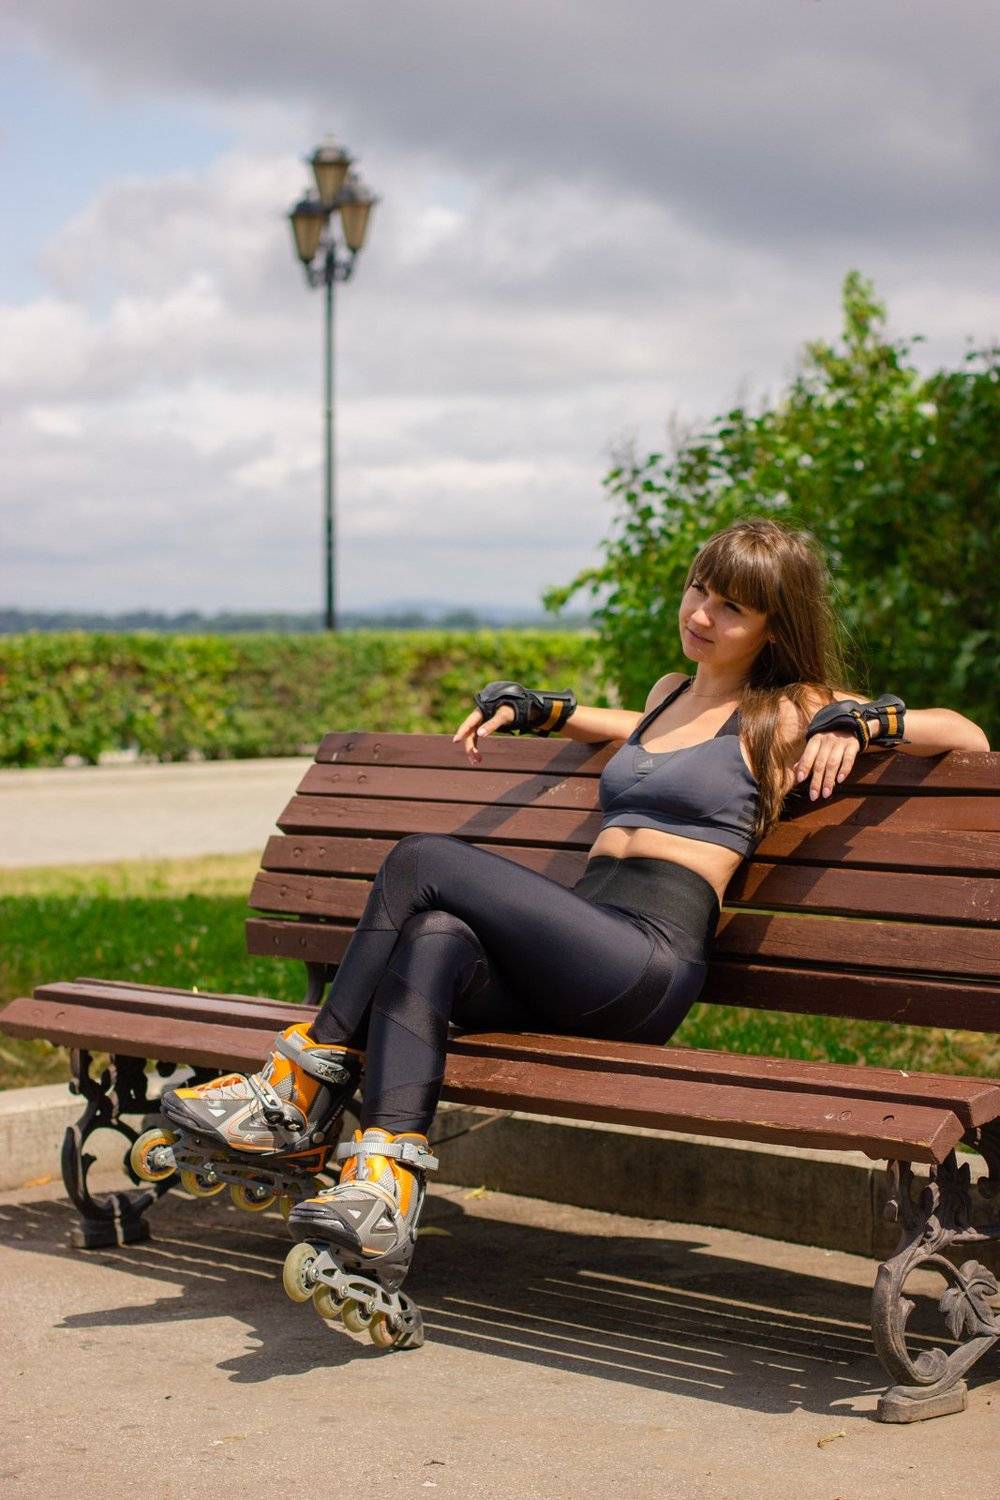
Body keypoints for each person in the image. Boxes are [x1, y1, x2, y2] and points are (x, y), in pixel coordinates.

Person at [157, 517, 989, 1345]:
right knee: (434, 934)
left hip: (644, 963)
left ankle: (299, 1090)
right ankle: (383, 1187)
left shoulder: (790, 710)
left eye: (732, 607)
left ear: (775, 626)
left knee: (420, 862)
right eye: (698, 589)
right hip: (580, 955)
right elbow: (632, 727)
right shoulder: (670, 693)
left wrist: (867, 722)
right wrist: (544, 709)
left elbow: (966, 734)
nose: (701, 613)